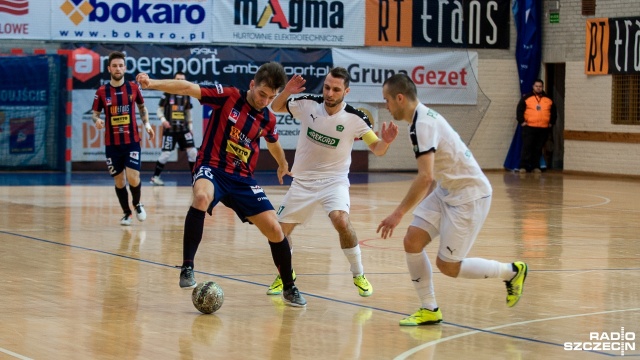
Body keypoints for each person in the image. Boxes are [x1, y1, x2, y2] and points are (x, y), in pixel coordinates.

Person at [136, 62, 307, 307]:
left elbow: (273, 142)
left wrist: (282, 163)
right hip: (212, 167)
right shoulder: (227, 96)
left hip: (242, 178)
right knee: (201, 198)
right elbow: (187, 88)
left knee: (275, 229)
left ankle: (289, 287)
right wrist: (152, 83)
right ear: (252, 85)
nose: (264, 101)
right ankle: (187, 267)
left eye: (271, 97)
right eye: (261, 94)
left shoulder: (267, 117)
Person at [377, 74, 528, 326]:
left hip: (469, 196)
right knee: (412, 240)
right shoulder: (418, 121)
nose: (386, 106)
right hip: (447, 190)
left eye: (387, 100)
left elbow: (424, 177)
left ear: (400, 98)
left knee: (448, 266)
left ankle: (511, 272)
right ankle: (429, 308)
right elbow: (432, 176)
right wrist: (426, 207)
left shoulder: (423, 124)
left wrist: (398, 213)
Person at [266, 68, 399, 297]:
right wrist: (287, 90)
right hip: (303, 182)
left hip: (333, 181)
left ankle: (358, 273)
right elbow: (275, 107)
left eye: (336, 89)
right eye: (327, 87)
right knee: (278, 233)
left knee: (341, 220)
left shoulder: (356, 118)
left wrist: (385, 142)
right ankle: (286, 274)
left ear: (345, 91)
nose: (329, 93)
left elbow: (376, 148)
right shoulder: (307, 104)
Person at [92, 51, 155, 226]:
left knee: (134, 177)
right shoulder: (102, 91)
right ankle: (126, 213)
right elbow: (95, 113)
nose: (118, 68)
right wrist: (97, 120)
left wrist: (147, 124)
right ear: (109, 68)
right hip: (112, 144)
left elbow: (142, 108)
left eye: (121, 65)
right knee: (119, 180)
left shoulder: (133, 88)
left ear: (125, 68)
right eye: (114, 66)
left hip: (132, 142)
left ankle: (137, 203)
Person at [150, 72, 197, 186]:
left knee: (193, 152)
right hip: (170, 130)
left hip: (184, 129)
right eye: (178, 79)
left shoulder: (187, 94)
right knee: (166, 154)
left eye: (182, 79)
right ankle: (155, 177)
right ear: (174, 80)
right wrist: (163, 120)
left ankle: (195, 178)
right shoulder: (167, 93)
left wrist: (190, 127)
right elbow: (159, 110)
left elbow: (188, 112)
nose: (180, 81)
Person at [516, 79, 557, 173]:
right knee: (527, 147)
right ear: (533, 87)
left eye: (540, 86)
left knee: (538, 148)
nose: (538, 88)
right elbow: (520, 110)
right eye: (536, 86)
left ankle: (536, 166)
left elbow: (553, 112)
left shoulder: (548, 99)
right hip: (529, 127)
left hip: (543, 128)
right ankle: (523, 166)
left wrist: (551, 122)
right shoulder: (527, 98)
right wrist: (522, 121)